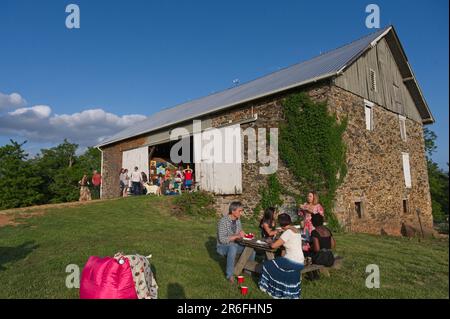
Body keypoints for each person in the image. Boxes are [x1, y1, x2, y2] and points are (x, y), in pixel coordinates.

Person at [259, 213, 304, 299]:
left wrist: (269, 242)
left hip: (291, 261)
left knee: (267, 265)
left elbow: (273, 246)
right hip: (300, 261)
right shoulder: (296, 230)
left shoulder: (287, 232)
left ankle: (268, 287)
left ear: (280, 223)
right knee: (281, 266)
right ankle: (283, 288)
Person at [216, 202, 255, 283]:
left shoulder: (238, 220)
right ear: (233, 211)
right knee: (232, 247)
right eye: (239, 211)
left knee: (251, 249)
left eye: (241, 211)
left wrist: (246, 235)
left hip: (235, 245)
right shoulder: (223, 221)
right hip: (222, 247)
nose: (241, 213)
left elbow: (240, 232)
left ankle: (248, 270)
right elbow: (222, 239)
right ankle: (229, 275)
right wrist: (236, 236)